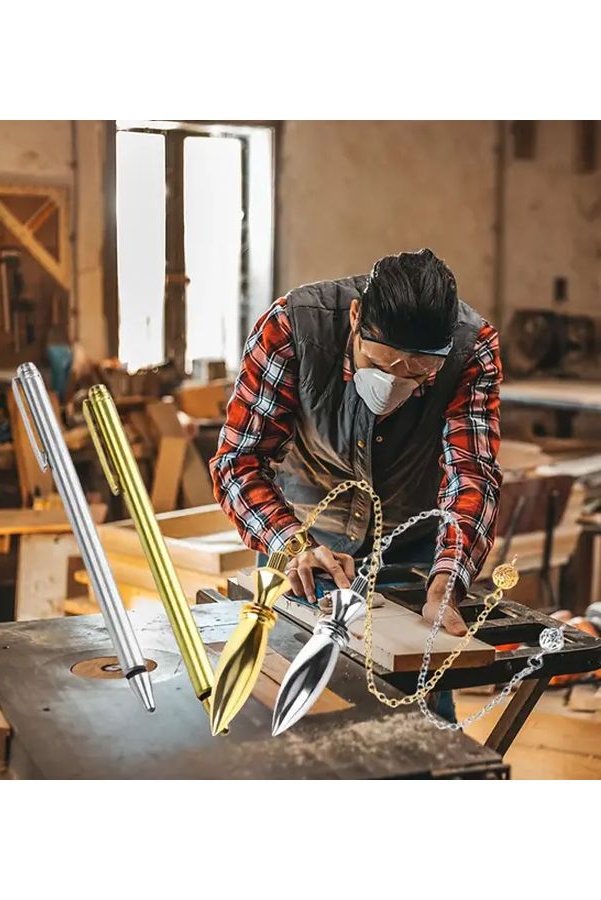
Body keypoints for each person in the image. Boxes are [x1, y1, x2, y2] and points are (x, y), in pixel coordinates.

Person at [210, 249, 502, 721]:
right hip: (304, 550)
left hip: (411, 554)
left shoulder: (472, 349)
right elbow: (239, 462)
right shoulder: (292, 328)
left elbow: (472, 473)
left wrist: (448, 578)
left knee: (420, 718)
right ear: (354, 319)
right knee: (285, 706)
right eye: (380, 363)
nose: (391, 383)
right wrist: (292, 543)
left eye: (416, 373)